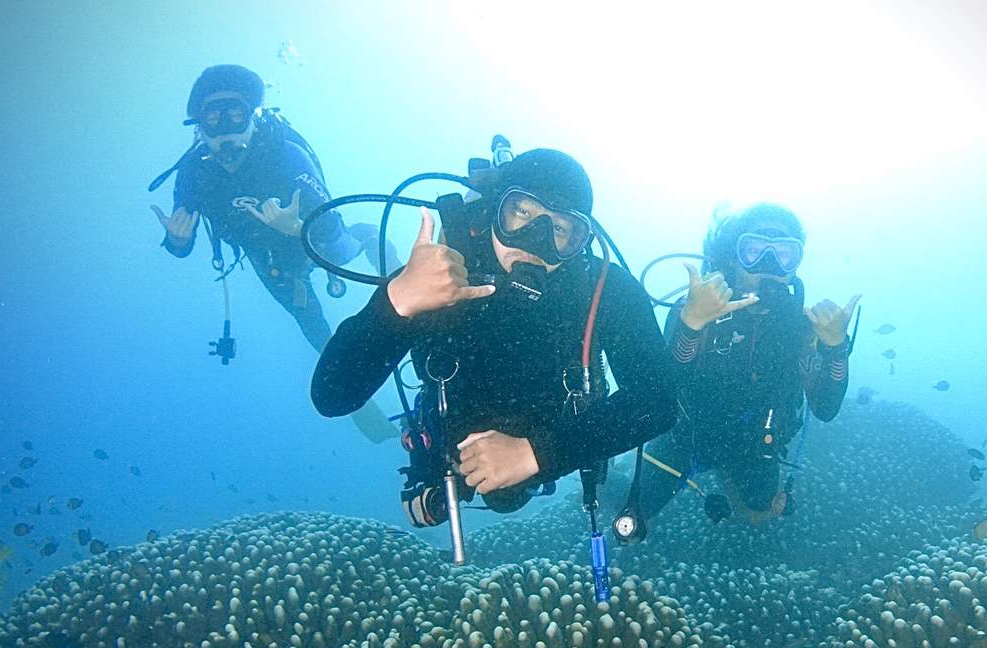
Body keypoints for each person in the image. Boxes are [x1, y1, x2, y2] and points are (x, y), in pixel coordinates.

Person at [311, 148, 677, 523]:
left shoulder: (601, 289)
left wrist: (537, 454)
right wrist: (396, 302)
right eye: (522, 213)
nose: (536, 241)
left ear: (581, 242)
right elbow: (331, 395)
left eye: (561, 229)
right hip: (448, 452)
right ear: (493, 212)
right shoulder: (441, 275)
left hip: (551, 442)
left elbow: (659, 401)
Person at [151, 64, 397, 441]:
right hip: (269, 262)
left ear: (253, 118)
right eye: (212, 122)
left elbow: (330, 226)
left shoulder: (285, 154)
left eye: (236, 117)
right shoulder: (194, 173)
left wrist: (298, 229)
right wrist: (178, 242)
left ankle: (376, 244)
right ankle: (360, 405)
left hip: (317, 243)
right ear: (199, 128)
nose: (225, 135)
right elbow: (182, 240)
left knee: (348, 245)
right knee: (317, 333)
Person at [636, 203, 857, 528]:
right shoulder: (698, 309)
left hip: (754, 446)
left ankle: (730, 480)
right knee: (632, 515)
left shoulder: (802, 328)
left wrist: (835, 347)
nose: (768, 265)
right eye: (753, 250)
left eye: (784, 254)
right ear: (732, 258)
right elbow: (660, 391)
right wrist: (692, 322)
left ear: (795, 265)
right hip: (684, 437)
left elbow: (825, 407)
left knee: (758, 513)